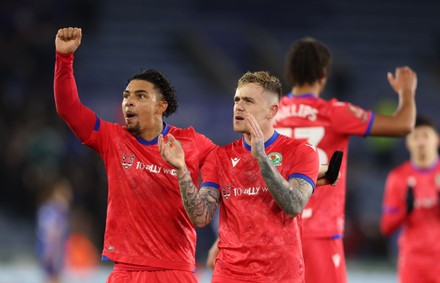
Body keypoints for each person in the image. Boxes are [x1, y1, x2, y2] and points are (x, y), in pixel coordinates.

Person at [53, 27, 217, 283]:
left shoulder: (193, 143)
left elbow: (230, 178)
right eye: (126, 96)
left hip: (175, 271)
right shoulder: (112, 139)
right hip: (125, 271)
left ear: (161, 106)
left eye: (140, 96)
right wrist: (64, 59)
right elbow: (68, 108)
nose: (129, 102)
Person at [245, 38, 415, 283]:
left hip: (274, 234)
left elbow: (249, 177)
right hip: (318, 234)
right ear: (323, 74)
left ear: (289, 73)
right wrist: (406, 92)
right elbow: (402, 125)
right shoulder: (334, 113)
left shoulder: (269, 115)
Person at [159, 71, 320, 282]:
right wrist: (181, 171)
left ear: (272, 111)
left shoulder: (301, 151)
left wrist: (262, 158)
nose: (239, 107)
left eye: (248, 101)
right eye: (237, 100)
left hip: (281, 276)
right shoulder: (220, 157)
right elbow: (201, 217)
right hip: (230, 275)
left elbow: (294, 205)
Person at [380, 116, 440, 283]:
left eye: (426, 136)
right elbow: (386, 227)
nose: (421, 142)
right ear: (408, 143)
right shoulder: (398, 177)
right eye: (415, 137)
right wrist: (405, 209)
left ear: (437, 140)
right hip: (413, 264)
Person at [36, 177, 73, 283]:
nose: (70, 194)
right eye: (67, 191)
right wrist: (52, 255)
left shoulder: (56, 209)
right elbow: (51, 235)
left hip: (55, 252)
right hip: (52, 253)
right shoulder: (54, 210)